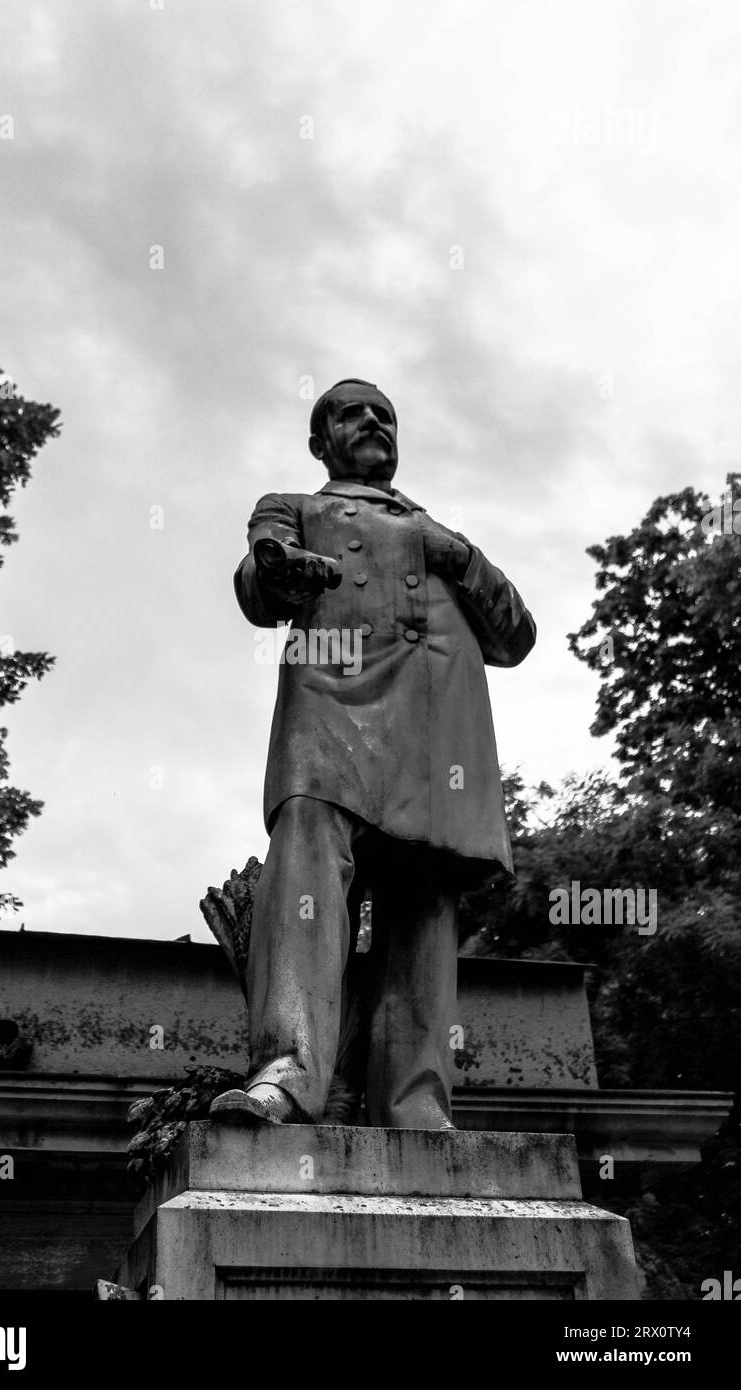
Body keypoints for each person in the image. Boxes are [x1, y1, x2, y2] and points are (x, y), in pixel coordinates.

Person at [211, 378, 536, 1128]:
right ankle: (287, 1074)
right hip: (333, 697)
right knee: (308, 845)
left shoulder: (442, 534)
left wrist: (461, 558)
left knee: (424, 903)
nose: (373, 423)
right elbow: (258, 584)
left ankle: (416, 1101)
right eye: (352, 413)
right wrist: (276, 567)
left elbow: (516, 638)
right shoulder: (297, 505)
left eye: (385, 415)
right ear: (321, 441)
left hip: (438, 729)